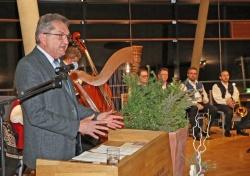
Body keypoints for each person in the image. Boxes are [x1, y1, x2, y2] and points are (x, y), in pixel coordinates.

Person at [14, 13, 124, 171]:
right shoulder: (28, 66)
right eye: (60, 36)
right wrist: (77, 126)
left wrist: (96, 115)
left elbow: (72, 106)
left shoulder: (59, 64)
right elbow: (36, 114)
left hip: (66, 153)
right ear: (43, 37)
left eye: (67, 37)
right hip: (45, 158)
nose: (66, 42)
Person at [183, 67, 217, 139]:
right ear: (188, 74)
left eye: (195, 74)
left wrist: (205, 100)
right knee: (194, 108)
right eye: (191, 73)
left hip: (201, 103)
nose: (193, 75)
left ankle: (205, 130)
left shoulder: (200, 84)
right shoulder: (184, 85)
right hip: (190, 105)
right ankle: (196, 133)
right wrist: (196, 103)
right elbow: (185, 98)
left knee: (213, 109)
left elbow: (204, 95)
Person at [212, 70, 249, 137]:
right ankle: (227, 130)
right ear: (220, 77)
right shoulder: (216, 86)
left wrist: (232, 100)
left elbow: (236, 94)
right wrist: (227, 102)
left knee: (246, 111)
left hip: (232, 103)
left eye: (227, 75)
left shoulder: (232, 85)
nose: (226, 77)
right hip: (220, 104)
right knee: (229, 111)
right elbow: (217, 98)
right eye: (224, 75)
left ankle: (239, 129)